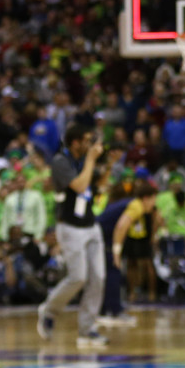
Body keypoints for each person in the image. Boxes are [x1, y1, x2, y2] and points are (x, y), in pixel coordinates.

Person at [37, 123, 108, 349]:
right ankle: (49, 310)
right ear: (75, 142)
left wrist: (109, 161)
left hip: (90, 225)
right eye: (87, 140)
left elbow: (99, 185)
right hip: (69, 227)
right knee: (78, 277)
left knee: (98, 278)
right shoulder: (61, 162)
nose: (90, 144)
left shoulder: (84, 160)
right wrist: (90, 160)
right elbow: (79, 185)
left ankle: (87, 330)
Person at [97, 180, 158, 326]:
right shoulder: (137, 206)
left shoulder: (132, 203)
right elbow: (121, 226)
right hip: (100, 237)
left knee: (109, 273)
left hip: (100, 235)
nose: (154, 204)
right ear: (146, 198)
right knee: (114, 271)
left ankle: (108, 309)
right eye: (153, 200)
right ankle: (113, 312)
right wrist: (116, 251)